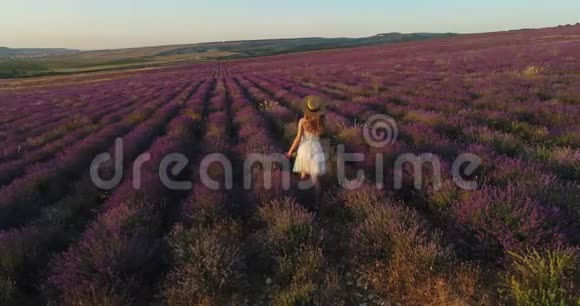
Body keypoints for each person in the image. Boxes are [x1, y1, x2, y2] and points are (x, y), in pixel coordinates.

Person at [286, 96, 326, 198]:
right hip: (316, 149)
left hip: (304, 149)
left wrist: (290, 151)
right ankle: (317, 203)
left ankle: (304, 199)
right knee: (315, 179)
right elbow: (321, 134)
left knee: (303, 176)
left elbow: (298, 138)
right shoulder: (321, 122)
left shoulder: (302, 121)